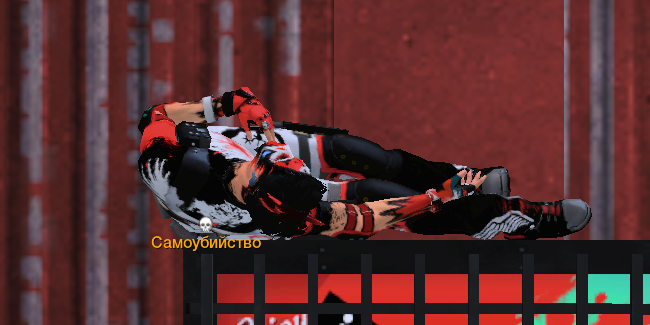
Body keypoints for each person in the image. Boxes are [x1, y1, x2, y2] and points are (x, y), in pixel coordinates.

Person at [137, 87, 592, 240]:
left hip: (242, 164)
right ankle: (504, 218)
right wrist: (438, 198)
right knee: (380, 195)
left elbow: (155, 115)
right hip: (249, 228)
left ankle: (457, 175)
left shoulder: (161, 151)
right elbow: (371, 217)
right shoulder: (286, 219)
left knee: (362, 154)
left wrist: (225, 105)